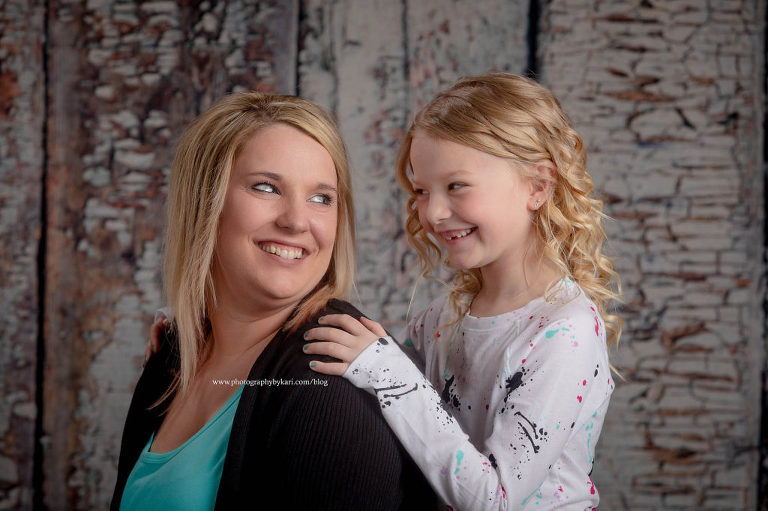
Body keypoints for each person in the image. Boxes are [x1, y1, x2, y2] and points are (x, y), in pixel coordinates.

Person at [302, 73, 622, 510]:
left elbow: (496, 501)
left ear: (537, 187)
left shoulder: (566, 332)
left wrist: (388, 370)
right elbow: (396, 424)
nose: (432, 212)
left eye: (456, 186)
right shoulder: (442, 318)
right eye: (421, 191)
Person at [112, 92, 435, 510]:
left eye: (322, 198)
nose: (297, 221)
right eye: (266, 187)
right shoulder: (173, 352)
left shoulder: (331, 375)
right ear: (205, 202)